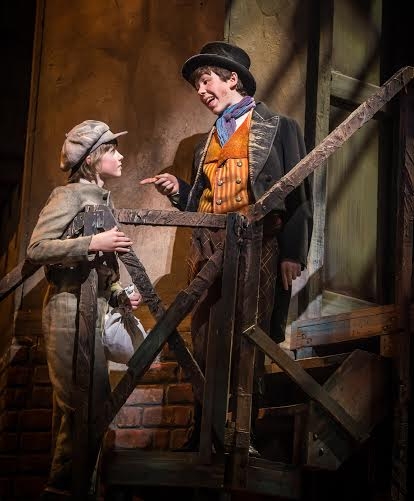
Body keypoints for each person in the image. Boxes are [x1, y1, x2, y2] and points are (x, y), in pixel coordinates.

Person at [140, 41, 313, 455]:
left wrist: (292, 252)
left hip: (257, 245)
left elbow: (298, 193)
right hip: (206, 248)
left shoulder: (279, 127)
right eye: (197, 86)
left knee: (248, 333)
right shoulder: (206, 143)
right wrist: (179, 190)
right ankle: (205, 430)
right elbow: (203, 200)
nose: (201, 91)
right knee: (203, 337)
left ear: (232, 79)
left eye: (206, 81)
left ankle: (242, 433)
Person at [27, 120, 142, 499]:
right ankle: (62, 490)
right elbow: (37, 249)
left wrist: (121, 294)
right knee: (78, 406)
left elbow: (101, 271)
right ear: (93, 159)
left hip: (94, 310)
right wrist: (93, 242)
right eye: (112, 150)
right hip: (67, 308)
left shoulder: (102, 198)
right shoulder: (67, 196)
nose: (120, 156)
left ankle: (77, 489)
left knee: (92, 407)